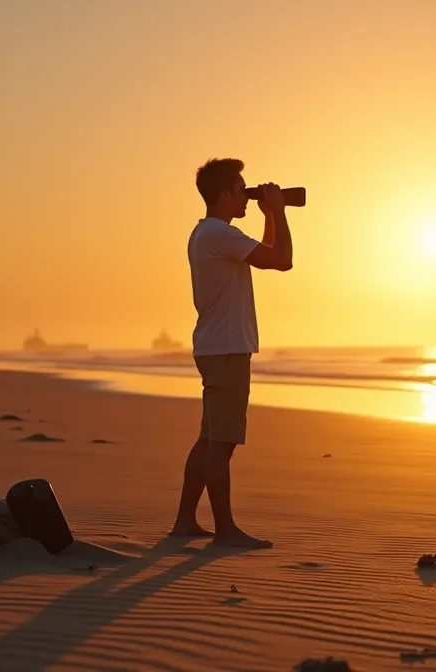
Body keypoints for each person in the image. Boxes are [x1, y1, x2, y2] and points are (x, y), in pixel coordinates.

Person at [169, 157, 293, 548]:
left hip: (215, 347)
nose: (246, 194)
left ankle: (186, 522)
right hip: (226, 350)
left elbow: (267, 254)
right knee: (221, 444)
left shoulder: (207, 233)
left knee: (208, 440)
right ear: (224, 194)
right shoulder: (220, 234)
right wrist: (279, 213)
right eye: (241, 188)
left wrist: (268, 215)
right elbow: (282, 260)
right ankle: (225, 530)